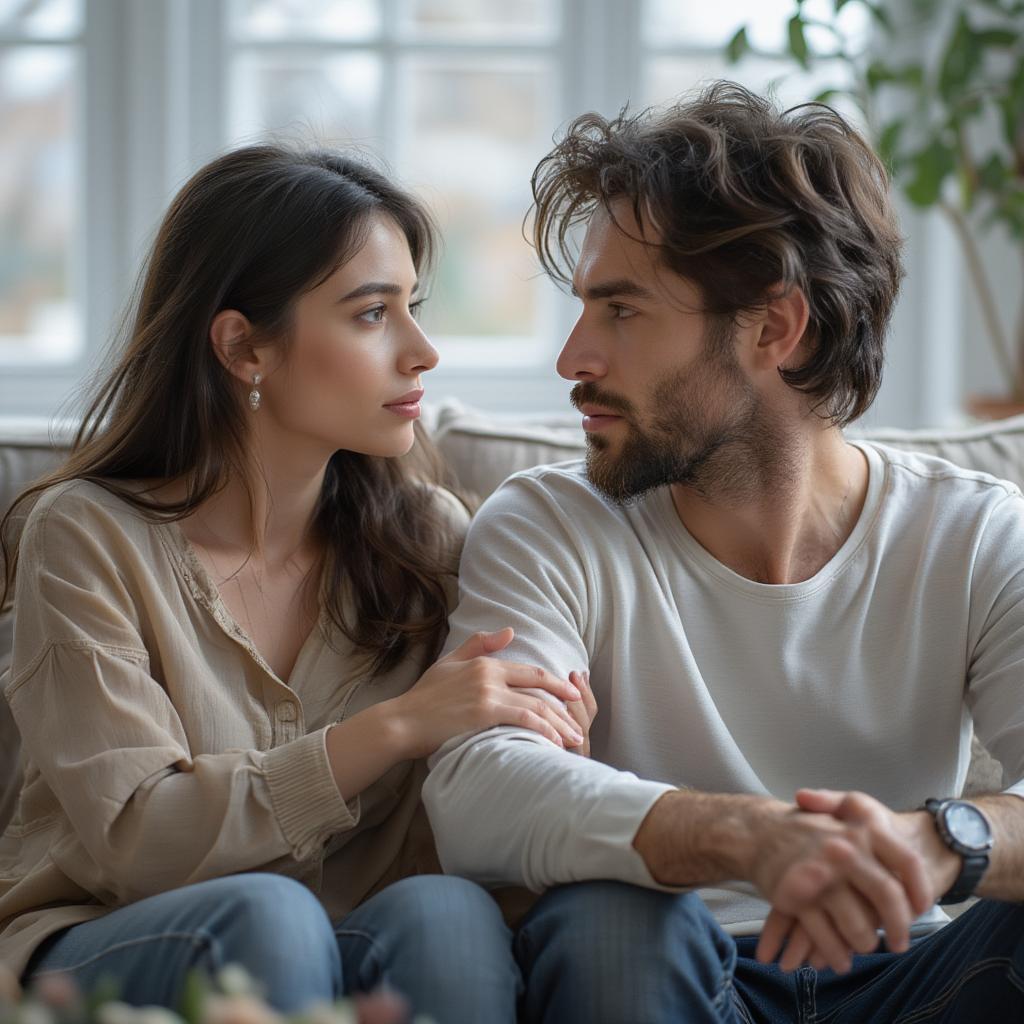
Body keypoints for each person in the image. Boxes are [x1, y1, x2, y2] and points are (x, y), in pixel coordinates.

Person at [422, 82, 1024, 1023]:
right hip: (679, 969)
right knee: (610, 919)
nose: (574, 357)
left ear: (775, 329)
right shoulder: (549, 522)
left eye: (621, 312)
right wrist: (750, 838)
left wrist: (938, 843)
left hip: (918, 977)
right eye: (584, 309)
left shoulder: (977, 533)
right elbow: (475, 786)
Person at [0, 144, 595, 1022]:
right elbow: (138, 841)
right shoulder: (86, 536)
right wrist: (396, 725)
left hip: (361, 933)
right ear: (243, 345)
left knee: (449, 916)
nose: (423, 351)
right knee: (269, 918)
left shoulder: (433, 541)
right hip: (113, 933)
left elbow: (479, 809)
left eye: (414, 309)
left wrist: (549, 736)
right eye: (370, 315)